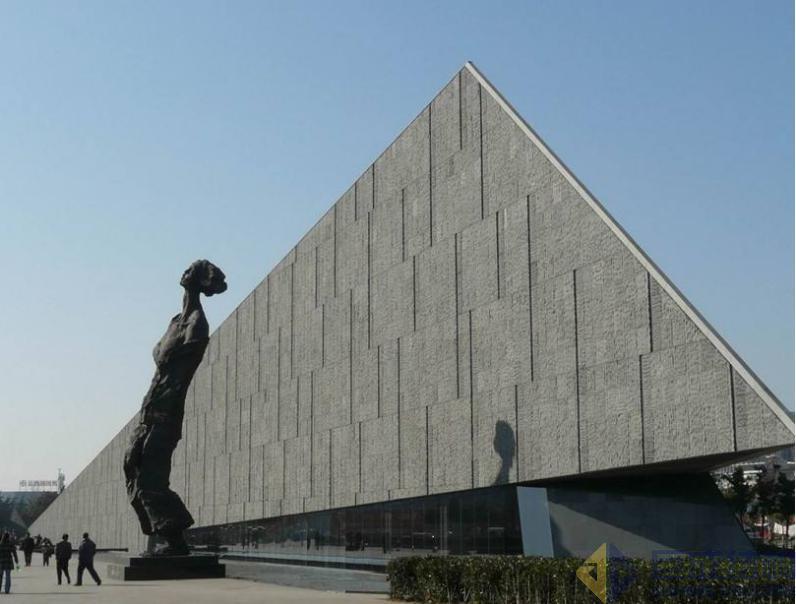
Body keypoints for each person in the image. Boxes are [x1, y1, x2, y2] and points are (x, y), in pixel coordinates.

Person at [124, 260, 226, 556]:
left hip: (166, 413)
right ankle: (160, 530)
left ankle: (175, 538)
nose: (185, 272)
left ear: (200, 281)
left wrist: (162, 413)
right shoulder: (175, 321)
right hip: (149, 408)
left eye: (192, 270)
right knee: (131, 465)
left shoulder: (197, 323)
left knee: (151, 478)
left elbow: (179, 370)